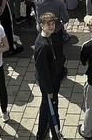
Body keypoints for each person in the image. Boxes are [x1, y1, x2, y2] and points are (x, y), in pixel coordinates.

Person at [34, 12, 64, 140]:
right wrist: (50, 90)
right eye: (48, 24)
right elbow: (43, 71)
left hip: (51, 81)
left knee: (46, 106)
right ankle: (55, 135)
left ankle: (41, 133)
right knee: (52, 109)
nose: (52, 27)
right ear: (42, 25)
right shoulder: (43, 45)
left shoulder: (46, 39)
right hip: (49, 84)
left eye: (53, 24)